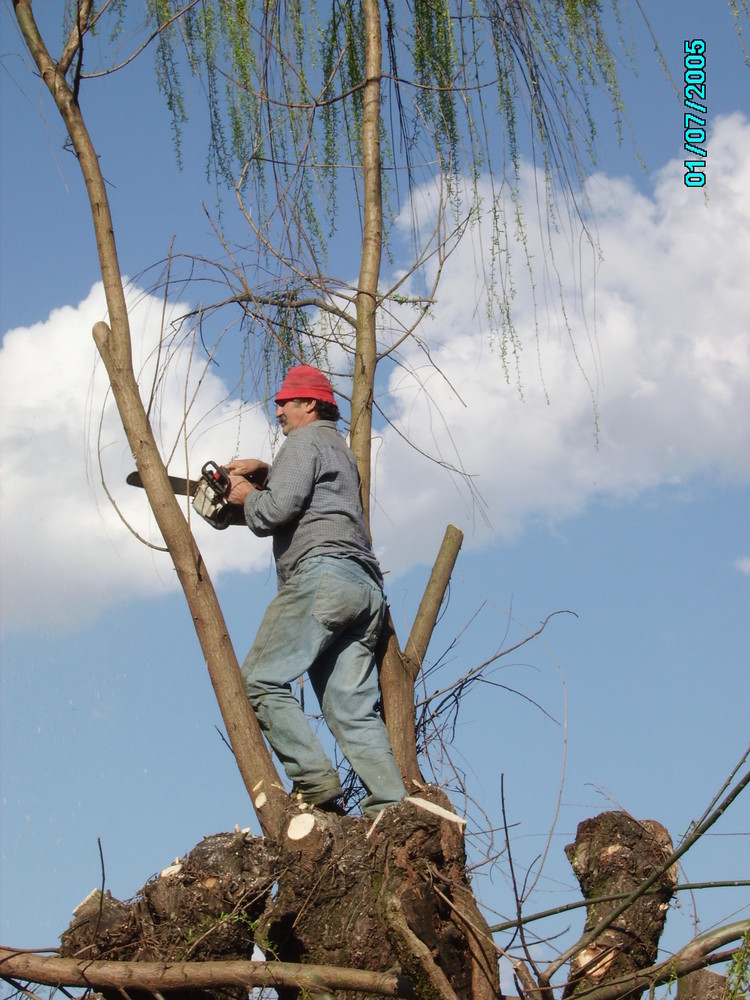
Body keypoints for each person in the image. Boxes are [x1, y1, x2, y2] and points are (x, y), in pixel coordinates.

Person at [225, 365, 407, 818]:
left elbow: (273, 512)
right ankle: (391, 807)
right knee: (350, 708)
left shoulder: (301, 443)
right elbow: (312, 491)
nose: (279, 409)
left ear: (309, 404)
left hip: (322, 577)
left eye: (286, 401)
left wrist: (246, 495)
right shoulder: (338, 450)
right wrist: (267, 470)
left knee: (260, 679)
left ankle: (314, 781)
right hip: (364, 591)